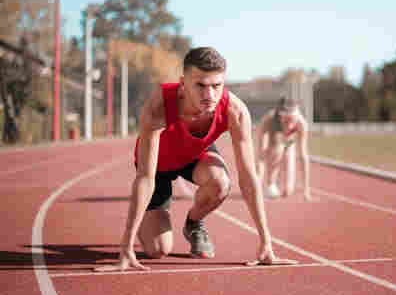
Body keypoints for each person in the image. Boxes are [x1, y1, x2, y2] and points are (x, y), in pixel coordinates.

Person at [95, 47, 296, 272]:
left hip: (194, 156)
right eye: (200, 85)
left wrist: (266, 242)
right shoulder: (158, 107)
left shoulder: (235, 111)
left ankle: (193, 223)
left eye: (216, 85)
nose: (209, 95)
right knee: (158, 250)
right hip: (158, 165)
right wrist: (126, 247)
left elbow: (249, 177)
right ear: (183, 82)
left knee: (221, 182)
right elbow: (145, 177)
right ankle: (146, 221)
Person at [255, 97, 312, 201]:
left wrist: (306, 189)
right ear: (280, 116)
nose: (289, 124)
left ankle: (282, 184)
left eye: (292, 119)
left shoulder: (301, 124)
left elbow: (303, 156)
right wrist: (257, 187)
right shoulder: (269, 120)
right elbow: (260, 157)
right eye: (286, 119)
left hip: (289, 141)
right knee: (277, 151)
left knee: (288, 191)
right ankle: (270, 183)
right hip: (273, 136)